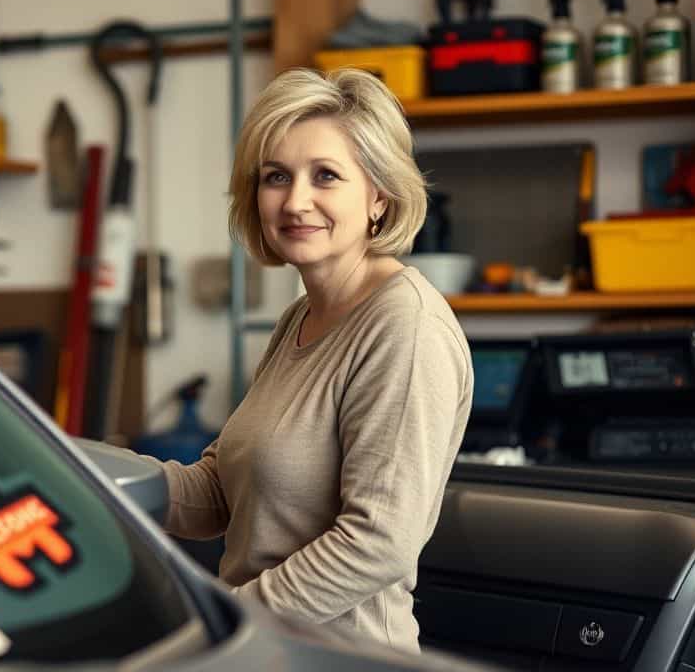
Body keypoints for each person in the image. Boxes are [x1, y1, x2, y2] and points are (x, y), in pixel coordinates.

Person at [158, 68, 473, 653]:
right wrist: (90, 474)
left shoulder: (403, 326)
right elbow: (223, 493)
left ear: (379, 196)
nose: (295, 200)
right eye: (276, 176)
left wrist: (224, 620)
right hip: (265, 652)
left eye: (325, 175)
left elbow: (379, 542)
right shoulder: (301, 318)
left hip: (341, 658)